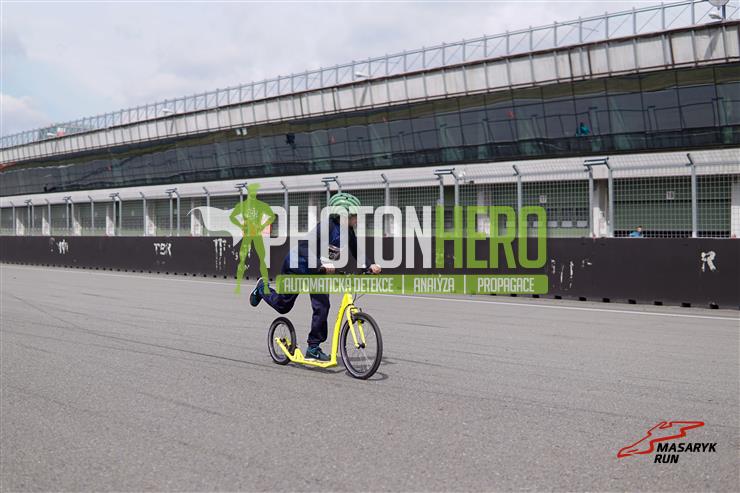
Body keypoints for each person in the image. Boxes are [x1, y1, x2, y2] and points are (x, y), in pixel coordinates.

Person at [249, 192, 382, 362]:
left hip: (315, 272)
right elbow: (304, 247)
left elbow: (357, 251)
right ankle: (262, 288)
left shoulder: (348, 231)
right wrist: (319, 264)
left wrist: (369, 265)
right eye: (354, 215)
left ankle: (313, 347)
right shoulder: (326, 227)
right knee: (283, 306)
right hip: (297, 265)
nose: (357, 219)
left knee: (322, 305)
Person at [230, 183, 275, 294]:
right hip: (247, 235)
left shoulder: (260, 205)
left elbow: (272, 216)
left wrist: (263, 226)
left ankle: (264, 285)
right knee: (242, 259)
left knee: (262, 259)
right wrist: (241, 226)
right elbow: (232, 217)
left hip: (257, 235)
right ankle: (238, 286)